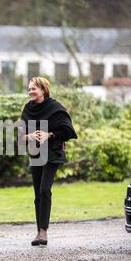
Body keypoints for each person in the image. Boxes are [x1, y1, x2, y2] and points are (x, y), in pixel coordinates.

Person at [20, 77, 77, 247]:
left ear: (43, 90)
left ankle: (43, 232)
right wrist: (29, 136)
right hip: (36, 153)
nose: (30, 91)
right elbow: (20, 135)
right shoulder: (27, 108)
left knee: (45, 189)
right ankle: (39, 231)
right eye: (29, 89)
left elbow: (67, 130)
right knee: (38, 192)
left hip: (52, 153)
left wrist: (49, 134)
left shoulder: (55, 107)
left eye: (34, 89)